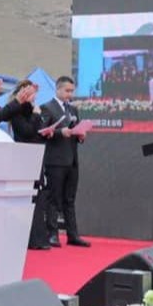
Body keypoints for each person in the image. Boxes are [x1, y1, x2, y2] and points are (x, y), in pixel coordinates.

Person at [41, 75, 91, 247]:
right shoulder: (47, 108)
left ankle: (73, 234)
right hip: (55, 160)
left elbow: (76, 131)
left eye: (72, 91)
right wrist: (59, 133)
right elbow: (42, 132)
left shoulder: (73, 109)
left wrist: (81, 135)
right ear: (58, 89)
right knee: (54, 198)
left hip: (72, 159)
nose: (70, 94)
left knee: (69, 199)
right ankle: (52, 234)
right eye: (67, 91)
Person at [4, 78, 51, 250]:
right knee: (28, 198)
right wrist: (37, 116)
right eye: (30, 92)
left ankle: (39, 237)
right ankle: (30, 238)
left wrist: (47, 131)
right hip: (24, 158)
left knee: (39, 197)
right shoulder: (17, 112)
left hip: (36, 156)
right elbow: (26, 131)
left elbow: (36, 132)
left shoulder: (33, 110)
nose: (34, 96)